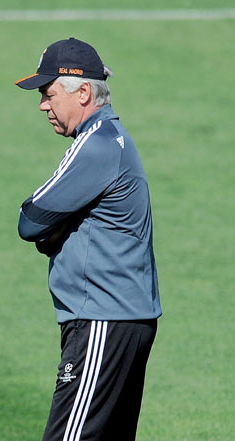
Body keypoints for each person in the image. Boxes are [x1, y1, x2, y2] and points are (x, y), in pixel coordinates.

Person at [15, 38, 161, 441]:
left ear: (82, 92)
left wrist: (55, 229)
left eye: (48, 94)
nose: (43, 105)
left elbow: (30, 220)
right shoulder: (109, 138)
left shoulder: (95, 144)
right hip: (122, 318)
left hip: (103, 319)